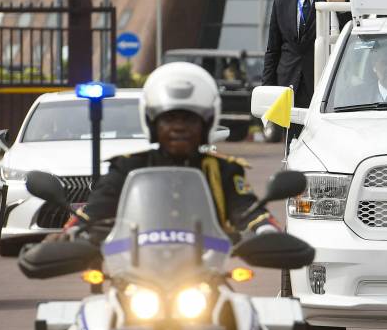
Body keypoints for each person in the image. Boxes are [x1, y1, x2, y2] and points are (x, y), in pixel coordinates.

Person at [63, 62, 279, 237]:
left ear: (206, 124)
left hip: (207, 270)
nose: (178, 126)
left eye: (189, 119)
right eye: (169, 118)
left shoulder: (224, 170)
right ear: (152, 123)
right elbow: (96, 209)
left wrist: (265, 228)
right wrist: (72, 231)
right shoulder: (128, 168)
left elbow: (246, 208)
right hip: (136, 269)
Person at [262, 0, 349, 115]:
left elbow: (350, 28)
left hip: (324, 85)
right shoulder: (281, 2)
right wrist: (267, 91)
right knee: (291, 141)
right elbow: (273, 50)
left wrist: (342, 4)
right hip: (288, 87)